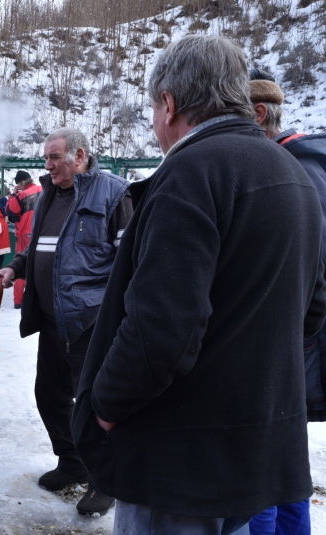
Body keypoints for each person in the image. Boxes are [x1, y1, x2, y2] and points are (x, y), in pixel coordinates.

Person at [69, 35, 326, 535]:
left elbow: (161, 329)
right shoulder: (290, 173)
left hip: (180, 463)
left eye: (151, 108)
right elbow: (312, 310)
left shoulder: (191, 172)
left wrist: (105, 408)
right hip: (255, 449)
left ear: (168, 103)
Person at [0, 128, 131, 515]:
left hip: (90, 322)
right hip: (53, 320)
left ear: (79, 155)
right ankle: (72, 462)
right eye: (46, 158)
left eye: (54, 157)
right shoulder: (48, 196)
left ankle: (105, 480)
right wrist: (15, 268)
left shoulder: (114, 193)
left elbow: (128, 261)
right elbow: (38, 247)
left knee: (95, 404)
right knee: (49, 395)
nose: (47, 165)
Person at [248, 69, 326, 535]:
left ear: (258, 114)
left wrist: (280, 339)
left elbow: (311, 271)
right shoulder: (309, 162)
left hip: (285, 346)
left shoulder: (292, 170)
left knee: (260, 466)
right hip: (297, 342)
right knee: (284, 463)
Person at [5, 170, 42, 309]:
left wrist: (14, 194)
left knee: (21, 266)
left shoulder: (21, 194)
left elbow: (9, 210)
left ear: (21, 182)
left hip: (25, 235)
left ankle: (18, 301)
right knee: (39, 266)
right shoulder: (43, 189)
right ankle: (38, 299)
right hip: (40, 233)